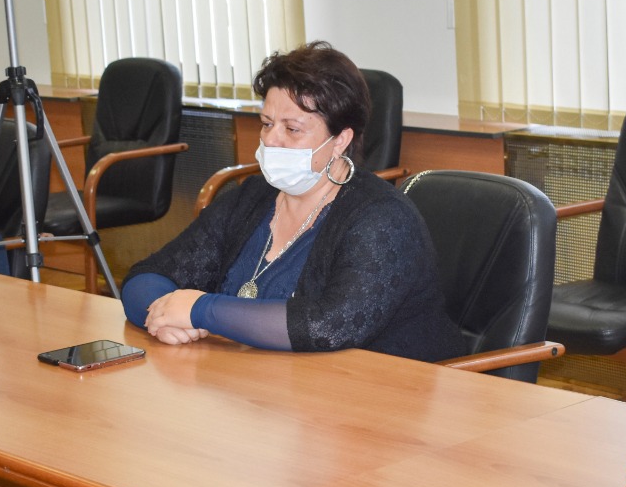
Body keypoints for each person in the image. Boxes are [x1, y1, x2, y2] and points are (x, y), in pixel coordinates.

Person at [122, 42, 462, 361]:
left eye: (292, 129)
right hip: (264, 385)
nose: (271, 140)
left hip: (378, 390)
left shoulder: (382, 218)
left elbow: (327, 327)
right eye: (266, 123)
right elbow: (145, 276)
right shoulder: (252, 197)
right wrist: (162, 316)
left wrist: (200, 310)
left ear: (340, 140)